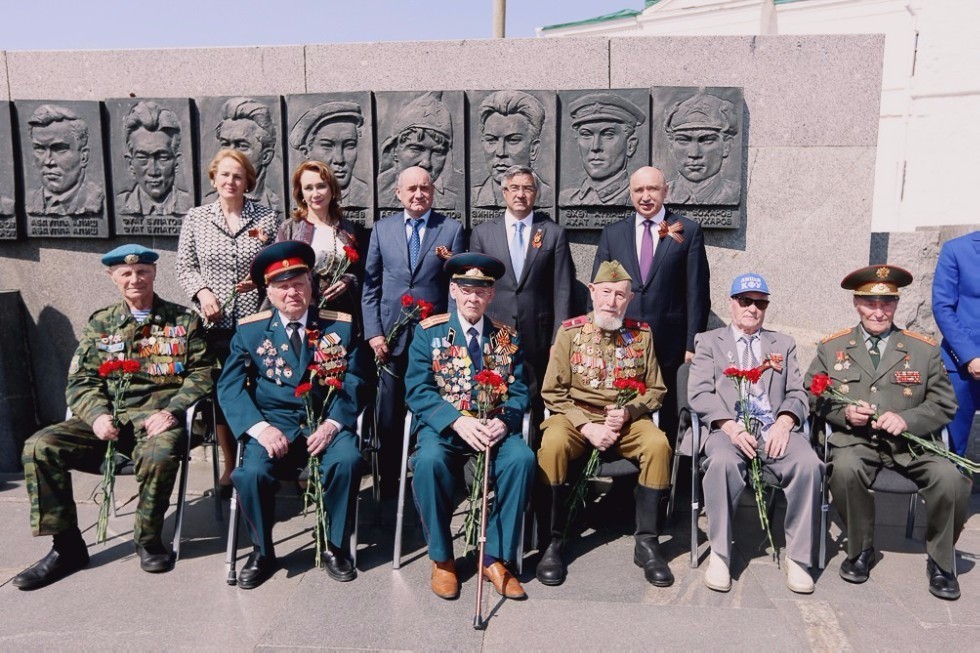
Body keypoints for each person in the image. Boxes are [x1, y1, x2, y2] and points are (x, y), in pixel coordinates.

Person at [14, 244, 213, 590]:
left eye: (142, 272)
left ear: (154, 273)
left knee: (160, 454)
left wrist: (172, 411)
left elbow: (203, 373)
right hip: (108, 422)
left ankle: (148, 540)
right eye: (126, 273)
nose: (135, 279)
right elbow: (81, 380)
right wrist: (95, 416)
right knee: (40, 446)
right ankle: (67, 547)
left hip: (157, 422)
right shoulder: (101, 322)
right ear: (113, 277)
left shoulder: (184, 320)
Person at [806, 264, 971, 600]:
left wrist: (907, 420)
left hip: (912, 445)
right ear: (856, 303)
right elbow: (811, 395)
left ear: (896, 305)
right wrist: (844, 413)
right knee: (847, 470)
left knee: (953, 481)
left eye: (887, 303)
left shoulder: (923, 349)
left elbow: (945, 404)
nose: (878, 312)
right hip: (856, 440)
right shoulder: (832, 347)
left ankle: (941, 561)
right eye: (870, 303)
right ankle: (860, 549)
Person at [217, 241, 367, 589]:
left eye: (299, 283)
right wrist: (259, 429)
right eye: (282, 286)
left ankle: (335, 546)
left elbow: (358, 379)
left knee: (347, 460)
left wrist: (333, 424)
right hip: (274, 425)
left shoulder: (340, 326)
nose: (292, 292)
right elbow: (230, 387)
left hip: (325, 420)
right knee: (250, 473)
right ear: (269, 291)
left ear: (311, 284)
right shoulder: (251, 330)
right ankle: (262, 551)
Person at [405, 253, 535, 600]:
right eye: (466, 289)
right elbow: (417, 390)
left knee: (521, 459)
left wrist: (503, 423)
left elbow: (520, 390)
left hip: (492, 427)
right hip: (446, 429)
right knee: (428, 462)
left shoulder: (507, 337)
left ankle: (492, 556)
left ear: (491, 295)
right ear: (453, 291)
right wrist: (456, 421)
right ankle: (443, 559)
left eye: (481, 291)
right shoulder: (429, 333)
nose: (473, 298)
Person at [536, 261, 672, 588]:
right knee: (552, 444)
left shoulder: (642, 335)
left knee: (658, 445)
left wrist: (629, 412)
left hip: (625, 420)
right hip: (576, 418)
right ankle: (552, 542)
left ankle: (648, 543)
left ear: (629, 299)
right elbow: (552, 392)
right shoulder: (569, 332)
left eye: (620, 295)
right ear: (593, 293)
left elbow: (657, 390)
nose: (611, 301)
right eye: (606, 293)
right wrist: (586, 426)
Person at [688, 273, 821, 594]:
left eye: (759, 303)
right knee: (720, 463)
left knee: (809, 464)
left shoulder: (783, 344)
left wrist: (786, 421)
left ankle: (799, 557)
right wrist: (730, 427)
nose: (752, 308)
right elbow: (699, 393)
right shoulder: (708, 342)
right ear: (731, 304)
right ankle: (720, 552)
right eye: (745, 301)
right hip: (728, 428)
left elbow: (798, 392)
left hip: (772, 427)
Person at [177, 149, 281, 497]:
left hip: (258, 319)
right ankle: (229, 463)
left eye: (237, 176)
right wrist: (203, 293)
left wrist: (260, 280)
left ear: (248, 180)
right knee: (224, 393)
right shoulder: (196, 218)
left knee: (259, 387)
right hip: (215, 323)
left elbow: (275, 266)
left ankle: (263, 456)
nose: (230, 182)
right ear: (213, 179)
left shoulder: (266, 218)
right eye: (224, 175)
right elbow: (185, 266)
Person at [362, 166, 464, 499]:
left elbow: (455, 286)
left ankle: (430, 479)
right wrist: (375, 333)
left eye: (425, 188)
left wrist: (450, 336)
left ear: (433, 191)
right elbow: (371, 285)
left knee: (432, 408)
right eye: (412, 189)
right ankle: (390, 484)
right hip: (389, 340)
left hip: (432, 338)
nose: (418, 194)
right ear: (399, 193)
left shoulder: (450, 230)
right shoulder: (381, 229)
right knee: (388, 414)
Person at [593, 165, 710, 447]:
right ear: (631, 193)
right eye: (639, 190)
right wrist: (597, 336)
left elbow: (697, 292)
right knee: (623, 406)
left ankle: (665, 481)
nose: (646, 196)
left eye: (652, 189)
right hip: (621, 340)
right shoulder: (613, 234)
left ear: (665, 191)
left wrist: (692, 344)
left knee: (668, 410)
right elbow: (598, 291)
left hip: (669, 343)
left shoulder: (686, 231)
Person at [470, 164, 573, 445]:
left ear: (536, 193)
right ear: (504, 192)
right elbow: (476, 288)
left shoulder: (552, 233)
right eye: (514, 188)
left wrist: (558, 339)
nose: (521, 194)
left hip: (538, 334)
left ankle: (535, 465)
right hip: (494, 330)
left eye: (527, 188)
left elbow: (562, 288)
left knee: (536, 397)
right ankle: (494, 462)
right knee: (494, 397)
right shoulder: (482, 234)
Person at [276, 160, 366, 320]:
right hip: (301, 315)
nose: (315, 193)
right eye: (308, 188)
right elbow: (278, 273)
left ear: (332, 189)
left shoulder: (351, 230)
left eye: (321, 186)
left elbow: (362, 272)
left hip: (343, 316)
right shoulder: (289, 229)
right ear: (301, 193)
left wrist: (348, 281)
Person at [931, 230, 980, 457]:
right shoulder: (956, 250)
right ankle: (953, 492)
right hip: (962, 365)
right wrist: (970, 356)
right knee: (951, 449)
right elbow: (943, 307)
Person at [376, 91, 459, 210]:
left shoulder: (454, 196)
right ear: (394, 151)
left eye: (437, 152)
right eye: (416, 149)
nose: (426, 162)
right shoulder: (377, 191)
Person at [559, 93, 644, 206]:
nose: (595, 147)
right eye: (586, 134)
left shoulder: (641, 200)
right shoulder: (565, 199)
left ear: (630, 145)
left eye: (608, 134)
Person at [471, 91, 553, 207]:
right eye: (491, 140)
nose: (500, 152)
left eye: (513, 140)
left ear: (533, 149)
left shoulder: (549, 197)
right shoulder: (473, 197)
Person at [116, 100, 193, 217]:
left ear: (176, 162)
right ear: (130, 164)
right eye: (142, 158)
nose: (153, 171)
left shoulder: (189, 205)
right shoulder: (121, 204)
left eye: (162, 158)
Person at [205, 97, 281, 213]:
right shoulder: (205, 206)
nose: (231, 154)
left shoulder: (276, 208)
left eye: (242, 146)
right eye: (225, 144)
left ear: (266, 156)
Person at [663, 91, 740, 205]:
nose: (694, 154)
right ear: (671, 147)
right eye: (683, 140)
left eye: (707, 140)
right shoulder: (661, 196)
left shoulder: (733, 194)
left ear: (726, 146)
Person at [288, 101, 370, 208]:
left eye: (349, 145)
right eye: (327, 146)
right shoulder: (297, 195)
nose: (339, 159)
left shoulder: (365, 194)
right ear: (306, 151)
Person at [27, 104, 104, 216]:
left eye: (59, 149)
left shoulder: (95, 198)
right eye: (40, 149)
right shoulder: (30, 201)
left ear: (84, 156)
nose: (48, 161)